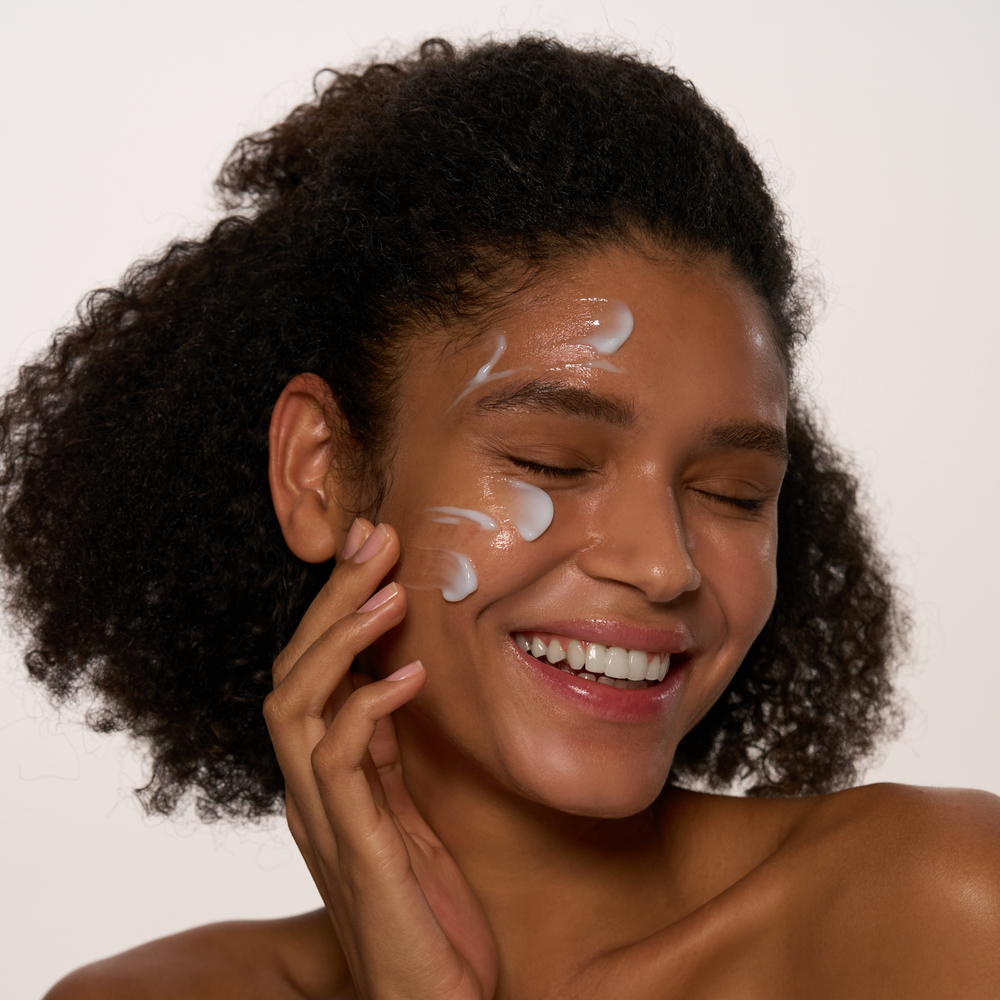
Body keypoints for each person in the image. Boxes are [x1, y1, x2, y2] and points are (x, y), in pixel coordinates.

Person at [2, 35, 996, 999]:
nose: (664, 565)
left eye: (733, 492)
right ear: (320, 474)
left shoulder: (937, 913)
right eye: (549, 462)